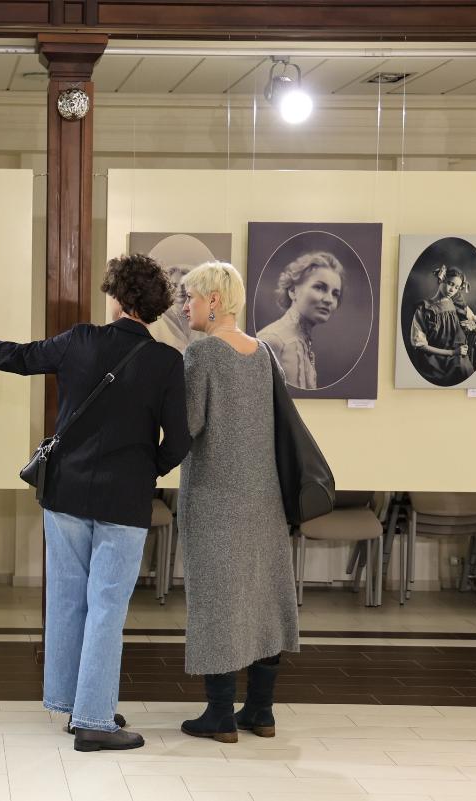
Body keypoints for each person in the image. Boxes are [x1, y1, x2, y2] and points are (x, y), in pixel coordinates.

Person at [0, 254, 190, 752]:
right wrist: (146, 469)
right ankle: (93, 720)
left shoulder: (80, 340)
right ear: (154, 306)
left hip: (65, 492)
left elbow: (17, 357)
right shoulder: (167, 363)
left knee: (67, 601)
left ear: (117, 297)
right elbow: (179, 440)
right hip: (125, 500)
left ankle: (72, 704)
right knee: (106, 607)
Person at [176, 261, 300, 744]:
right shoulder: (263, 352)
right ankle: (261, 712)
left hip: (215, 497)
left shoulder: (202, 353)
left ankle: (220, 714)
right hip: (265, 497)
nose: (184, 307)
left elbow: (189, 424)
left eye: (189, 297)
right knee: (265, 598)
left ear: (213, 300)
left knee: (217, 600)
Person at [256, 251, 344, 390]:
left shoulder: (302, 341)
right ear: (293, 291)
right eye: (319, 287)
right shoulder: (273, 340)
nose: (329, 300)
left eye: (335, 294)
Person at [409, 265, 476, 385]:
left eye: (457, 287)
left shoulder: (455, 303)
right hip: (433, 359)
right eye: (450, 283)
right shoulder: (424, 309)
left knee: (464, 369)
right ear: (441, 279)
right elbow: (420, 345)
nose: (452, 290)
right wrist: (452, 353)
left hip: (456, 356)